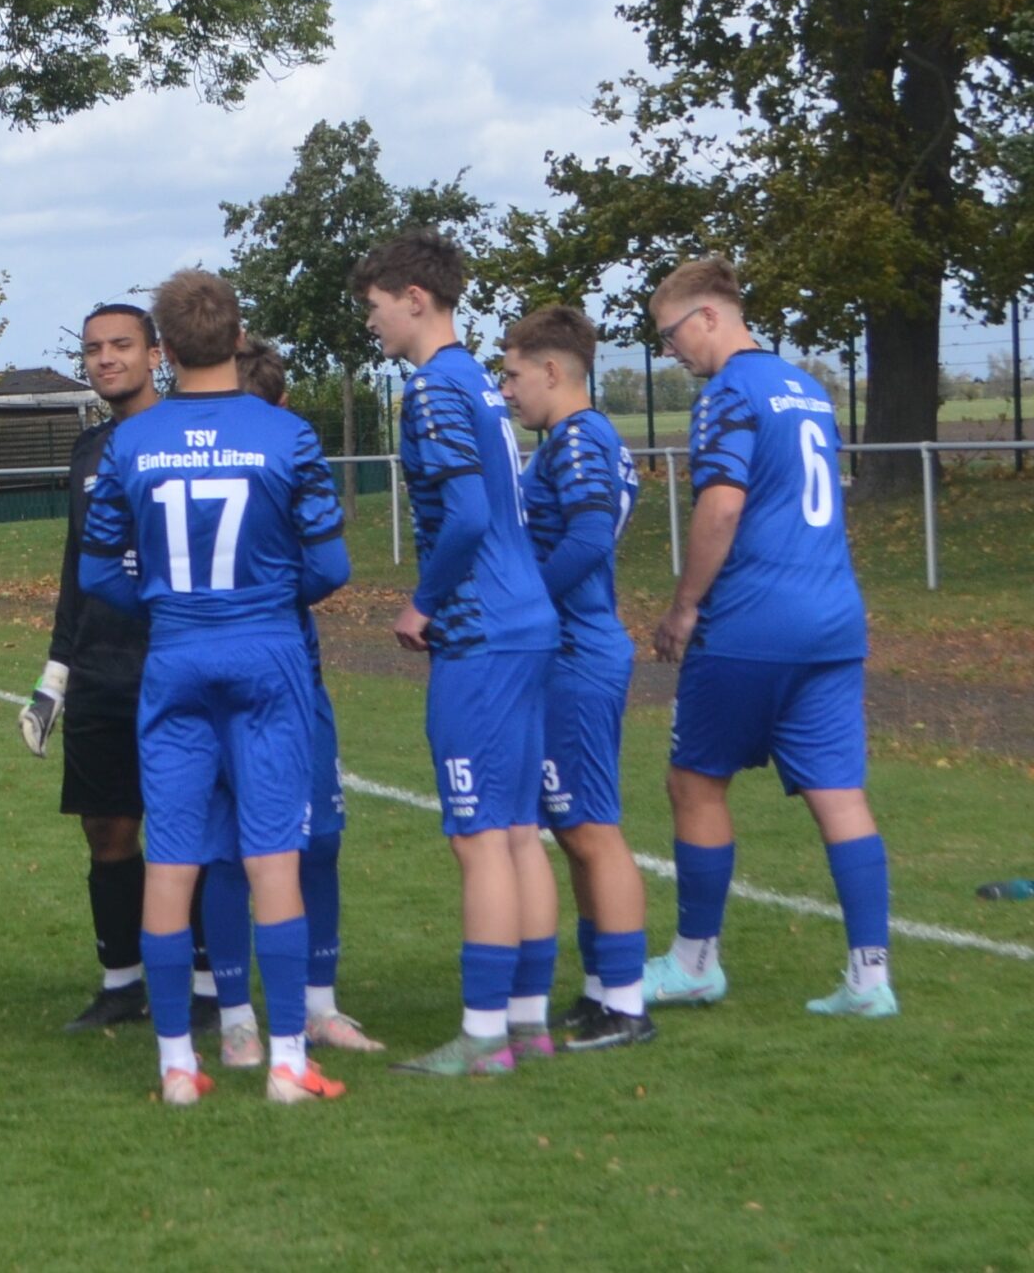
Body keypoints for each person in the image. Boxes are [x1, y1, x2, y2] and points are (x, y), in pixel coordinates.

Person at [80, 269, 351, 1106]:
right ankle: (286, 1061)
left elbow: (98, 572)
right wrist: (260, 601)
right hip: (267, 653)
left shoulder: (130, 442)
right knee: (273, 858)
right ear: (238, 337)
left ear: (163, 347)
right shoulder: (287, 434)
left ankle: (177, 1066)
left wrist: (172, 606)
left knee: (172, 861)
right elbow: (330, 566)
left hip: (176, 654)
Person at [644, 258, 894, 1018]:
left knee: (695, 782)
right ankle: (870, 979)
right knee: (839, 795)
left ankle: (694, 963)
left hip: (753, 619)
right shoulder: (808, 388)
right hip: (833, 619)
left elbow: (723, 507)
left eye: (671, 334)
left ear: (709, 316)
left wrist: (685, 606)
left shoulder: (730, 392)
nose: (670, 351)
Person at [355, 229, 561, 1077]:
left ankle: (483, 1039)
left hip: (481, 628)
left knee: (479, 836)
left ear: (415, 299)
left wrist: (424, 600)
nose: (370, 323)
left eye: (374, 307)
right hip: (528, 619)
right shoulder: (478, 377)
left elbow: (469, 515)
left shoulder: (433, 388)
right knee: (517, 833)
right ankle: (528, 1024)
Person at [21, 303, 215, 1033]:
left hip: (175, 663)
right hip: (101, 670)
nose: (106, 359)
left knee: (189, 828)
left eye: (122, 345)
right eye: (94, 348)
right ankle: (121, 983)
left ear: (156, 354)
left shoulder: (190, 438)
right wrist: (56, 673)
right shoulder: (88, 450)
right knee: (107, 830)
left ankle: (207, 986)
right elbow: (78, 568)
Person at [198, 338, 384, 1068]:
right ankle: (236, 1016)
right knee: (223, 850)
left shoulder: (294, 457)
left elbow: (328, 564)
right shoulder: (188, 462)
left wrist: (271, 596)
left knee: (319, 839)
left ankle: (318, 1006)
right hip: (219, 678)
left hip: (292, 676)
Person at [499, 306, 655, 1051]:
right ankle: (600, 991)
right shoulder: (573, 441)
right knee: (574, 828)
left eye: (513, 374)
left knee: (592, 828)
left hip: (577, 654)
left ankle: (626, 1004)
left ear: (553, 370)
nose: (506, 390)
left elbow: (590, 537)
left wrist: (523, 605)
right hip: (570, 652)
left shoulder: (580, 438)